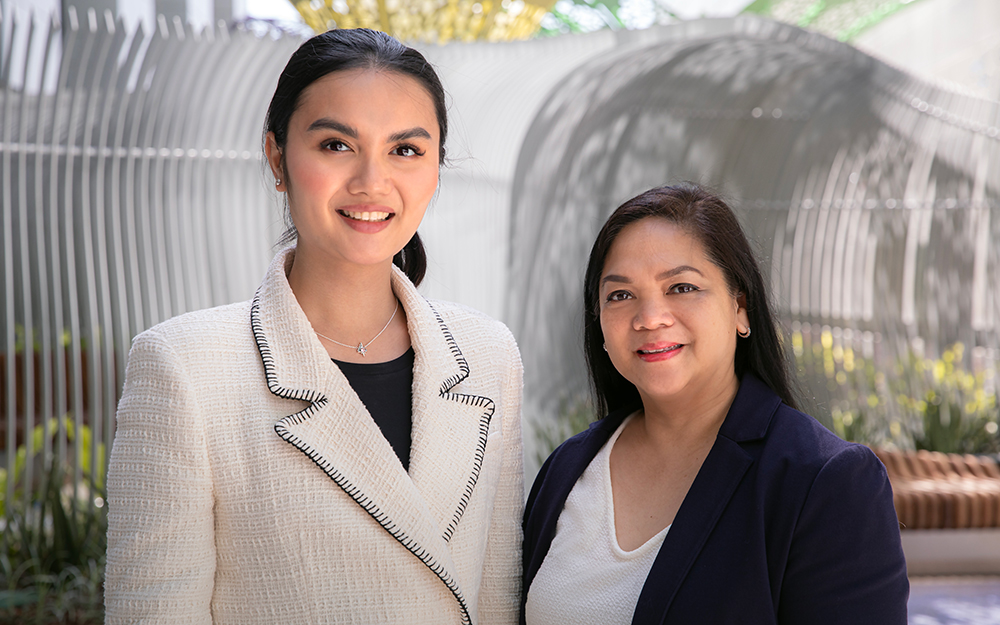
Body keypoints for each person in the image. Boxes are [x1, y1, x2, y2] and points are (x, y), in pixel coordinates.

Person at [105, 28, 523, 625]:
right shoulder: (185, 368)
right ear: (278, 159)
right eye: (336, 145)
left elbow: (496, 601)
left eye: (406, 150)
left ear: (436, 169)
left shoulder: (488, 355)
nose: (372, 182)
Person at [521, 184, 908, 624]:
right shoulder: (567, 469)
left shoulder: (826, 483)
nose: (650, 317)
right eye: (620, 295)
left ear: (740, 307)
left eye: (682, 287)